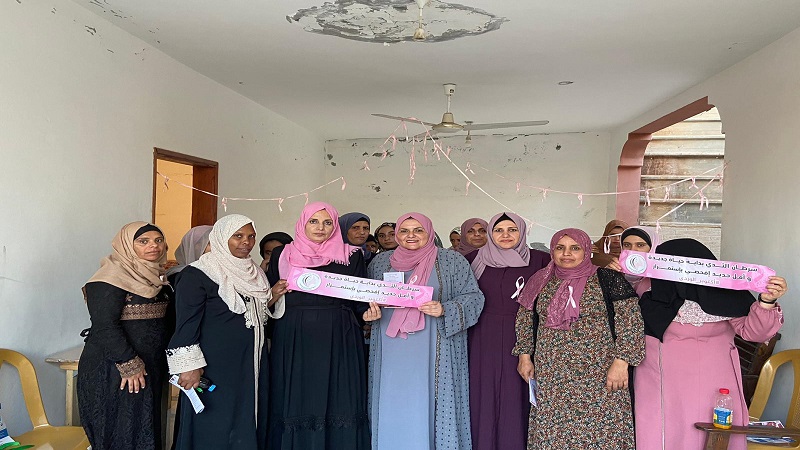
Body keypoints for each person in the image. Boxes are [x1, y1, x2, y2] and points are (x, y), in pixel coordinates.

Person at [633, 238, 787, 450]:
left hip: (713, 384)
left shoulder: (724, 291)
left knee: (707, 434)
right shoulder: (648, 287)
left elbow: (754, 333)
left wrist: (767, 301)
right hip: (660, 382)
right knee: (663, 434)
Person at [513, 228, 644, 449]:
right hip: (553, 375)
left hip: (600, 373)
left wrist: (622, 362)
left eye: (575, 248)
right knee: (554, 431)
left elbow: (630, 321)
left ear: (586, 250)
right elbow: (525, 319)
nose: (566, 254)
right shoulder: (540, 280)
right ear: (552, 251)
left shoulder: (607, 279)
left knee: (602, 431)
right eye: (560, 248)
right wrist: (524, 356)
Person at [366, 212, 485, 450]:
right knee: (393, 398)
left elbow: (474, 297)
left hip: (436, 342)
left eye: (418, 230)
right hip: (391, 348)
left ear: (429, 232)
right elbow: (368, 298)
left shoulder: (451, 260)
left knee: (432, 399)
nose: (411, 236)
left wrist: (445, 309)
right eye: (404, 231)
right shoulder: (380, 262)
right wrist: (369, 313)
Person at [167, 214, 284, 449]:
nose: (246, 242)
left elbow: (255, 315)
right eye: (238, 236)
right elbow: (186, 324)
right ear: (220, 238)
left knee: (247, 414)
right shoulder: (198, 273)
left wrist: (272, 297)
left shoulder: (255, 273)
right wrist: (189, 367)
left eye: (251, 236)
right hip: (214, 365)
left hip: (251, 363)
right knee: (215, 421)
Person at [266, 202, 373, 450]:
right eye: (313, 221)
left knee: (339, 395)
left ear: (335, 226)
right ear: (303, 224)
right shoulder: (283, 254)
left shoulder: (351, 255)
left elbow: (359, 298)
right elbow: (267, 297)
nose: (320, 228)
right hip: (294, 334)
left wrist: (367, 314)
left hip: (339, 333)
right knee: (296, 395)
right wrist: (274, 293)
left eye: (327, 222)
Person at [78, 222, 172, 450]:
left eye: (158, 240)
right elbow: (104, 326)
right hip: (116, 368)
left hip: (150, 366)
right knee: (119, 431)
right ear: (127, 245)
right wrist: (129, 363)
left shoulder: (158, 278)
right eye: (143, 241)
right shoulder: (107, 279)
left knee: (146, 429)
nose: (154, 246)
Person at [465, 213, 550, 450]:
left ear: (522, 232)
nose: (505, 235)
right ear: (490, 233)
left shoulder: (541, 260)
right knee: (483, 391)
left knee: (518, 392)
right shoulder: (473, 259)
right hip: (482, 336)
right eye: (498, 230)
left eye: (512, 230)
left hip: (525, 335)